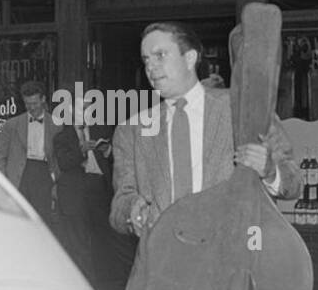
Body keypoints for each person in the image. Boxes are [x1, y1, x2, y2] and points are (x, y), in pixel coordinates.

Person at [109, 21, 301, 238]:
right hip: (163, 261)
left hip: (231, 258)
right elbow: (119, 207)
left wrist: (270, 171)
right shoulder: (131, 131)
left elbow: (293, 183)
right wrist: (131, 211)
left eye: (160, 55)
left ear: (190, 58)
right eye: (146, 60)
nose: (151, 67)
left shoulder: (244, 112)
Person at [53, 100, 135, 290]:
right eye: (82, 110)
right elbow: (64, 163)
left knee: (109, 237)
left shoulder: (101, 130)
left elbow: (116, 160)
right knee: (78, 241)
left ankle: (116, 284)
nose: (87, 114)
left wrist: (107, 151)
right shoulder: (62, 137)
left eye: (89, 110)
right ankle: (84, 289)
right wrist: (82, 149)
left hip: (99, 189)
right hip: (75, 193)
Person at [0, 80, 58, 224]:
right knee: (18, 220)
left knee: (43, 220)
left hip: (44, 173)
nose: (31, 107)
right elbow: (0, 157)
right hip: (19, 174)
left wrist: (56, 181)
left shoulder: (56, 124)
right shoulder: (11, 125)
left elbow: (59, 157)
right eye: (27, 103)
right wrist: (3, 184)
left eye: (35, 103)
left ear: (43, 99)